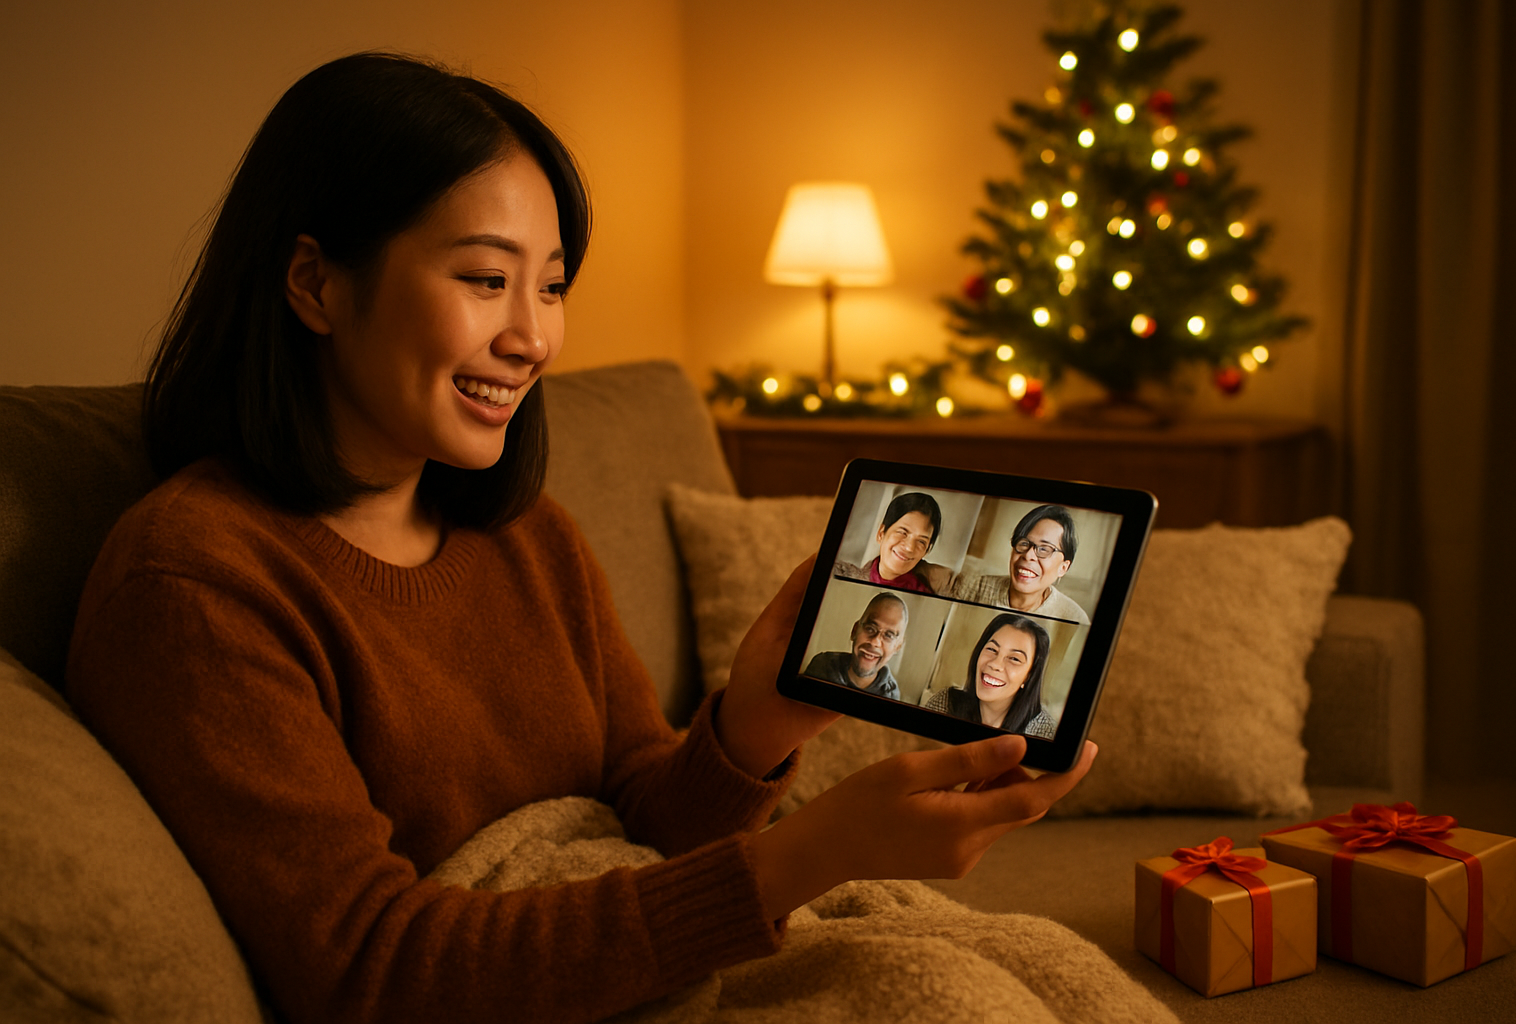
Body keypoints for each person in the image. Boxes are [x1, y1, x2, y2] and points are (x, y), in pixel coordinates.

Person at [63, 53, 1095, 1024]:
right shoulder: (194, 582)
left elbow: (643, 825)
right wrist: (802, 858)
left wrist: (754, 724)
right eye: (484, 278)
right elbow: (367, 972)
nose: (535, 336)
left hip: (631, 961)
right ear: (315, 283)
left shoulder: (525, 536)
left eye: (551, 285)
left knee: (1039, 967)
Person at [947, 505, 1089, 622]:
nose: (1028, 555)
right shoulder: (973, 589)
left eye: (1044, 549)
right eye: (1024, 543)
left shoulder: (1074, 618)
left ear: (1063, 568)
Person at [924, 614, 1056, 737]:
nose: (995, 664)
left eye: (1014, 659)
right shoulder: (945, 704)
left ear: (1029, 676)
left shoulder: (1044, 731)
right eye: (992, 649)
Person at [802, 592, 908, 701]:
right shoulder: (822, 666)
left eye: (889, 635)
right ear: (855, 630)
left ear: (897, 647)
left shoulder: (890, 697)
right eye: (870, 628)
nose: (875, 642)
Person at [833, 491, 944, 593]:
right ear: (881, 533)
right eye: (903, 533)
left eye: (921, 541)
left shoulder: (930, 593)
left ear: (927, 550)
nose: (909, 547)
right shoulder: (840, 574)